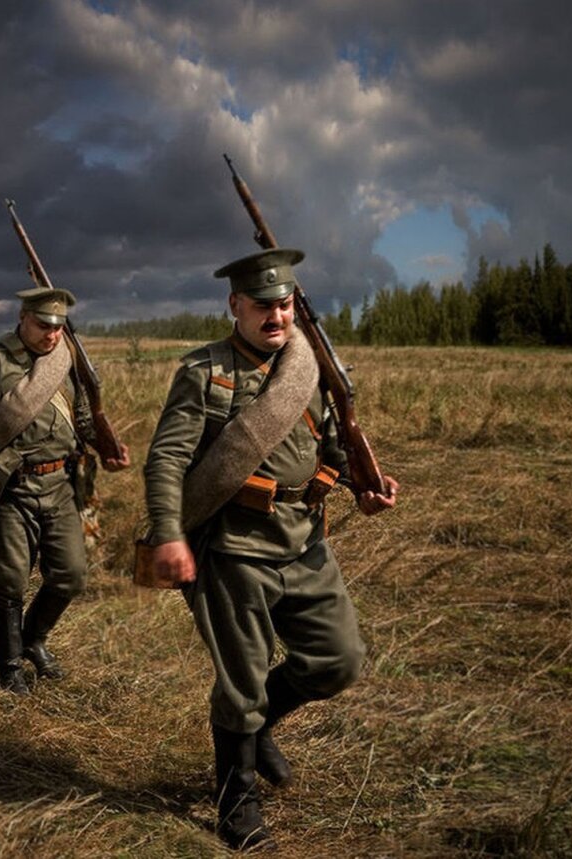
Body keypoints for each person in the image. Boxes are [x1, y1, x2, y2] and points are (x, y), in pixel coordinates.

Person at [142, 248, 399, 851]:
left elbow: (335, 452)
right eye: (263, 306)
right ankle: (236, 799)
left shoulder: (311, 371)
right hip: (233, 550)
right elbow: (166, 460)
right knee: (241, 682)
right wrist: (170, 533)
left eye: (285, 305)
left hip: (304, 543)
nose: (276, 316)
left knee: (339, 660)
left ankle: (257, 732)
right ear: (235, 306)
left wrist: (365, 491)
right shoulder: (205, 372)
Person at [0, 288, 130, 695]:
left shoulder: (66, 360)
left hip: (61, 484)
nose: (51, 334)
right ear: (23, 317)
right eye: (43, 325)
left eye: (58, 326)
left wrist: (107, 448)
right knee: (10, 579)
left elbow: (84, 420)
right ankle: (9, 665)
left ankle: (32, 639)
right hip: (10, 486)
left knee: (71, 574)